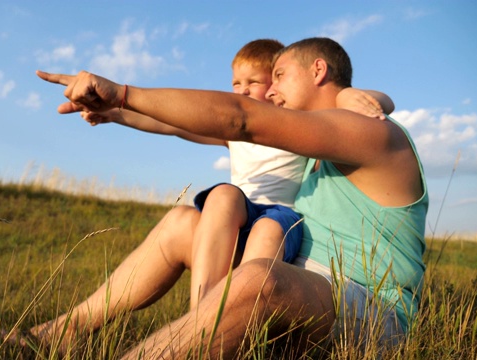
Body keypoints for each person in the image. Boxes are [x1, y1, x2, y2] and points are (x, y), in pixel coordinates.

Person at [31, 36, 427, 359]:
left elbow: (242, 119)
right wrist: (116, 110)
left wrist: (122, 93)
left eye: (281, 75)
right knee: (183, 223)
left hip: (369, 313)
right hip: (297, 286)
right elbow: (187, 124)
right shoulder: (311, 154)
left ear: (318, 70)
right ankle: (65, 331)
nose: (271, 89)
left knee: (259, 278)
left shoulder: (372, 132)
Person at [76, 39, 393, 310]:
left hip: (281, 218)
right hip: (239, 214)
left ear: (275, 85)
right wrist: (115, 115)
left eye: (254, 82)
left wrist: (347, 95)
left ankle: (240, 323)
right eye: (236, 84)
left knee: (267, 229)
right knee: (223, 194)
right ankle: (203, 316)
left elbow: (382, 102)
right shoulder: (234, 135)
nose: (242, 91)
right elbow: (172, 124)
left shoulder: (297, 123)